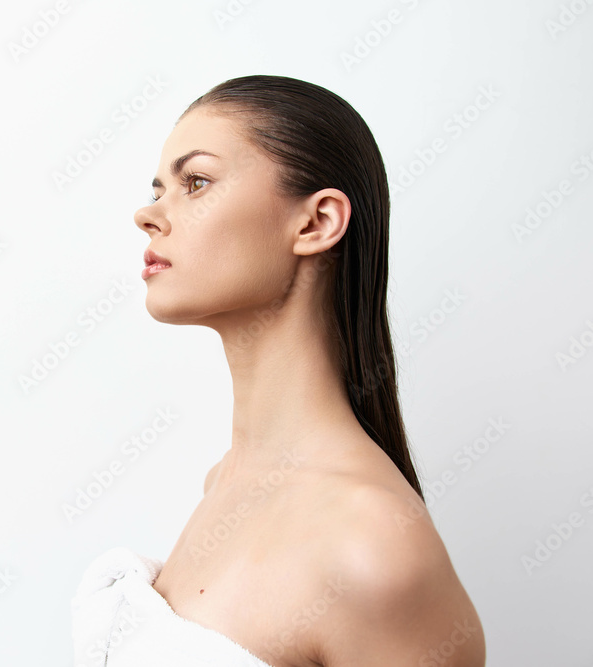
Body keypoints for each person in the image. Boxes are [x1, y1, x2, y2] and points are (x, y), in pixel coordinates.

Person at [71, 74, 485, 667]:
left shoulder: (371, 546)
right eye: (158, 187)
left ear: (316, 223)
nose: (148, 213)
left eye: (196, 182)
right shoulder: (226, 482)